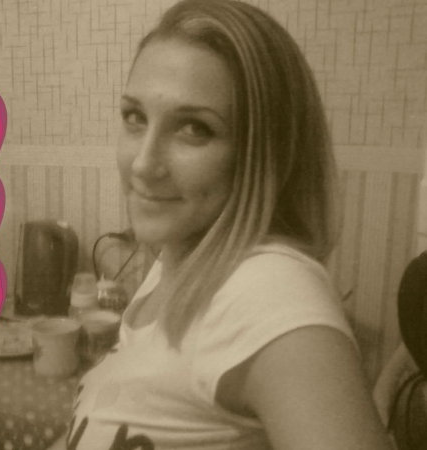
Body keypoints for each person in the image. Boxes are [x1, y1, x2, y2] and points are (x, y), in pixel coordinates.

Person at [54, 0, 393, 448]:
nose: (143, 164)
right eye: (135, 117)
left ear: (265, 154)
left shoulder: (269, 290)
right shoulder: (179, 261)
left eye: (194, 128)